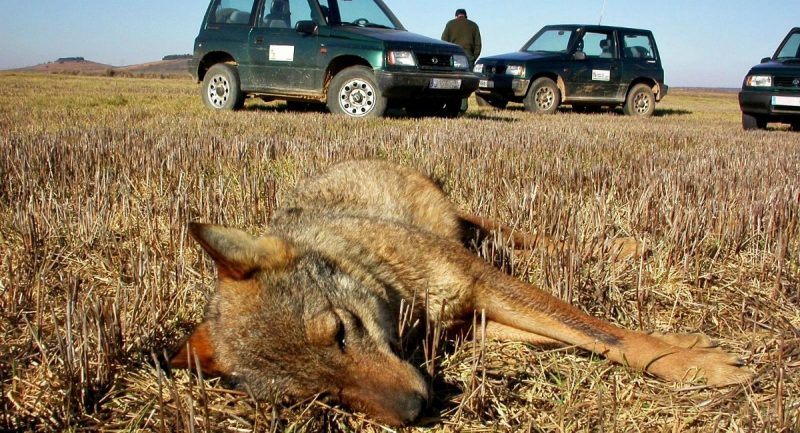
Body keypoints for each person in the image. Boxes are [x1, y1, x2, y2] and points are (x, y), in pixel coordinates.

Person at [441, 9, 481, 111]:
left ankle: (450, 107)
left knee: (451, 81)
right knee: (465, 83)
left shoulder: (450, 24)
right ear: (466, 16)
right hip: (468, 56)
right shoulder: (473, 25)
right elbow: (478, 45)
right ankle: (463, 108)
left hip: (453, 55)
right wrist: (473, 58)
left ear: (456, 16)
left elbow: (443, 41)